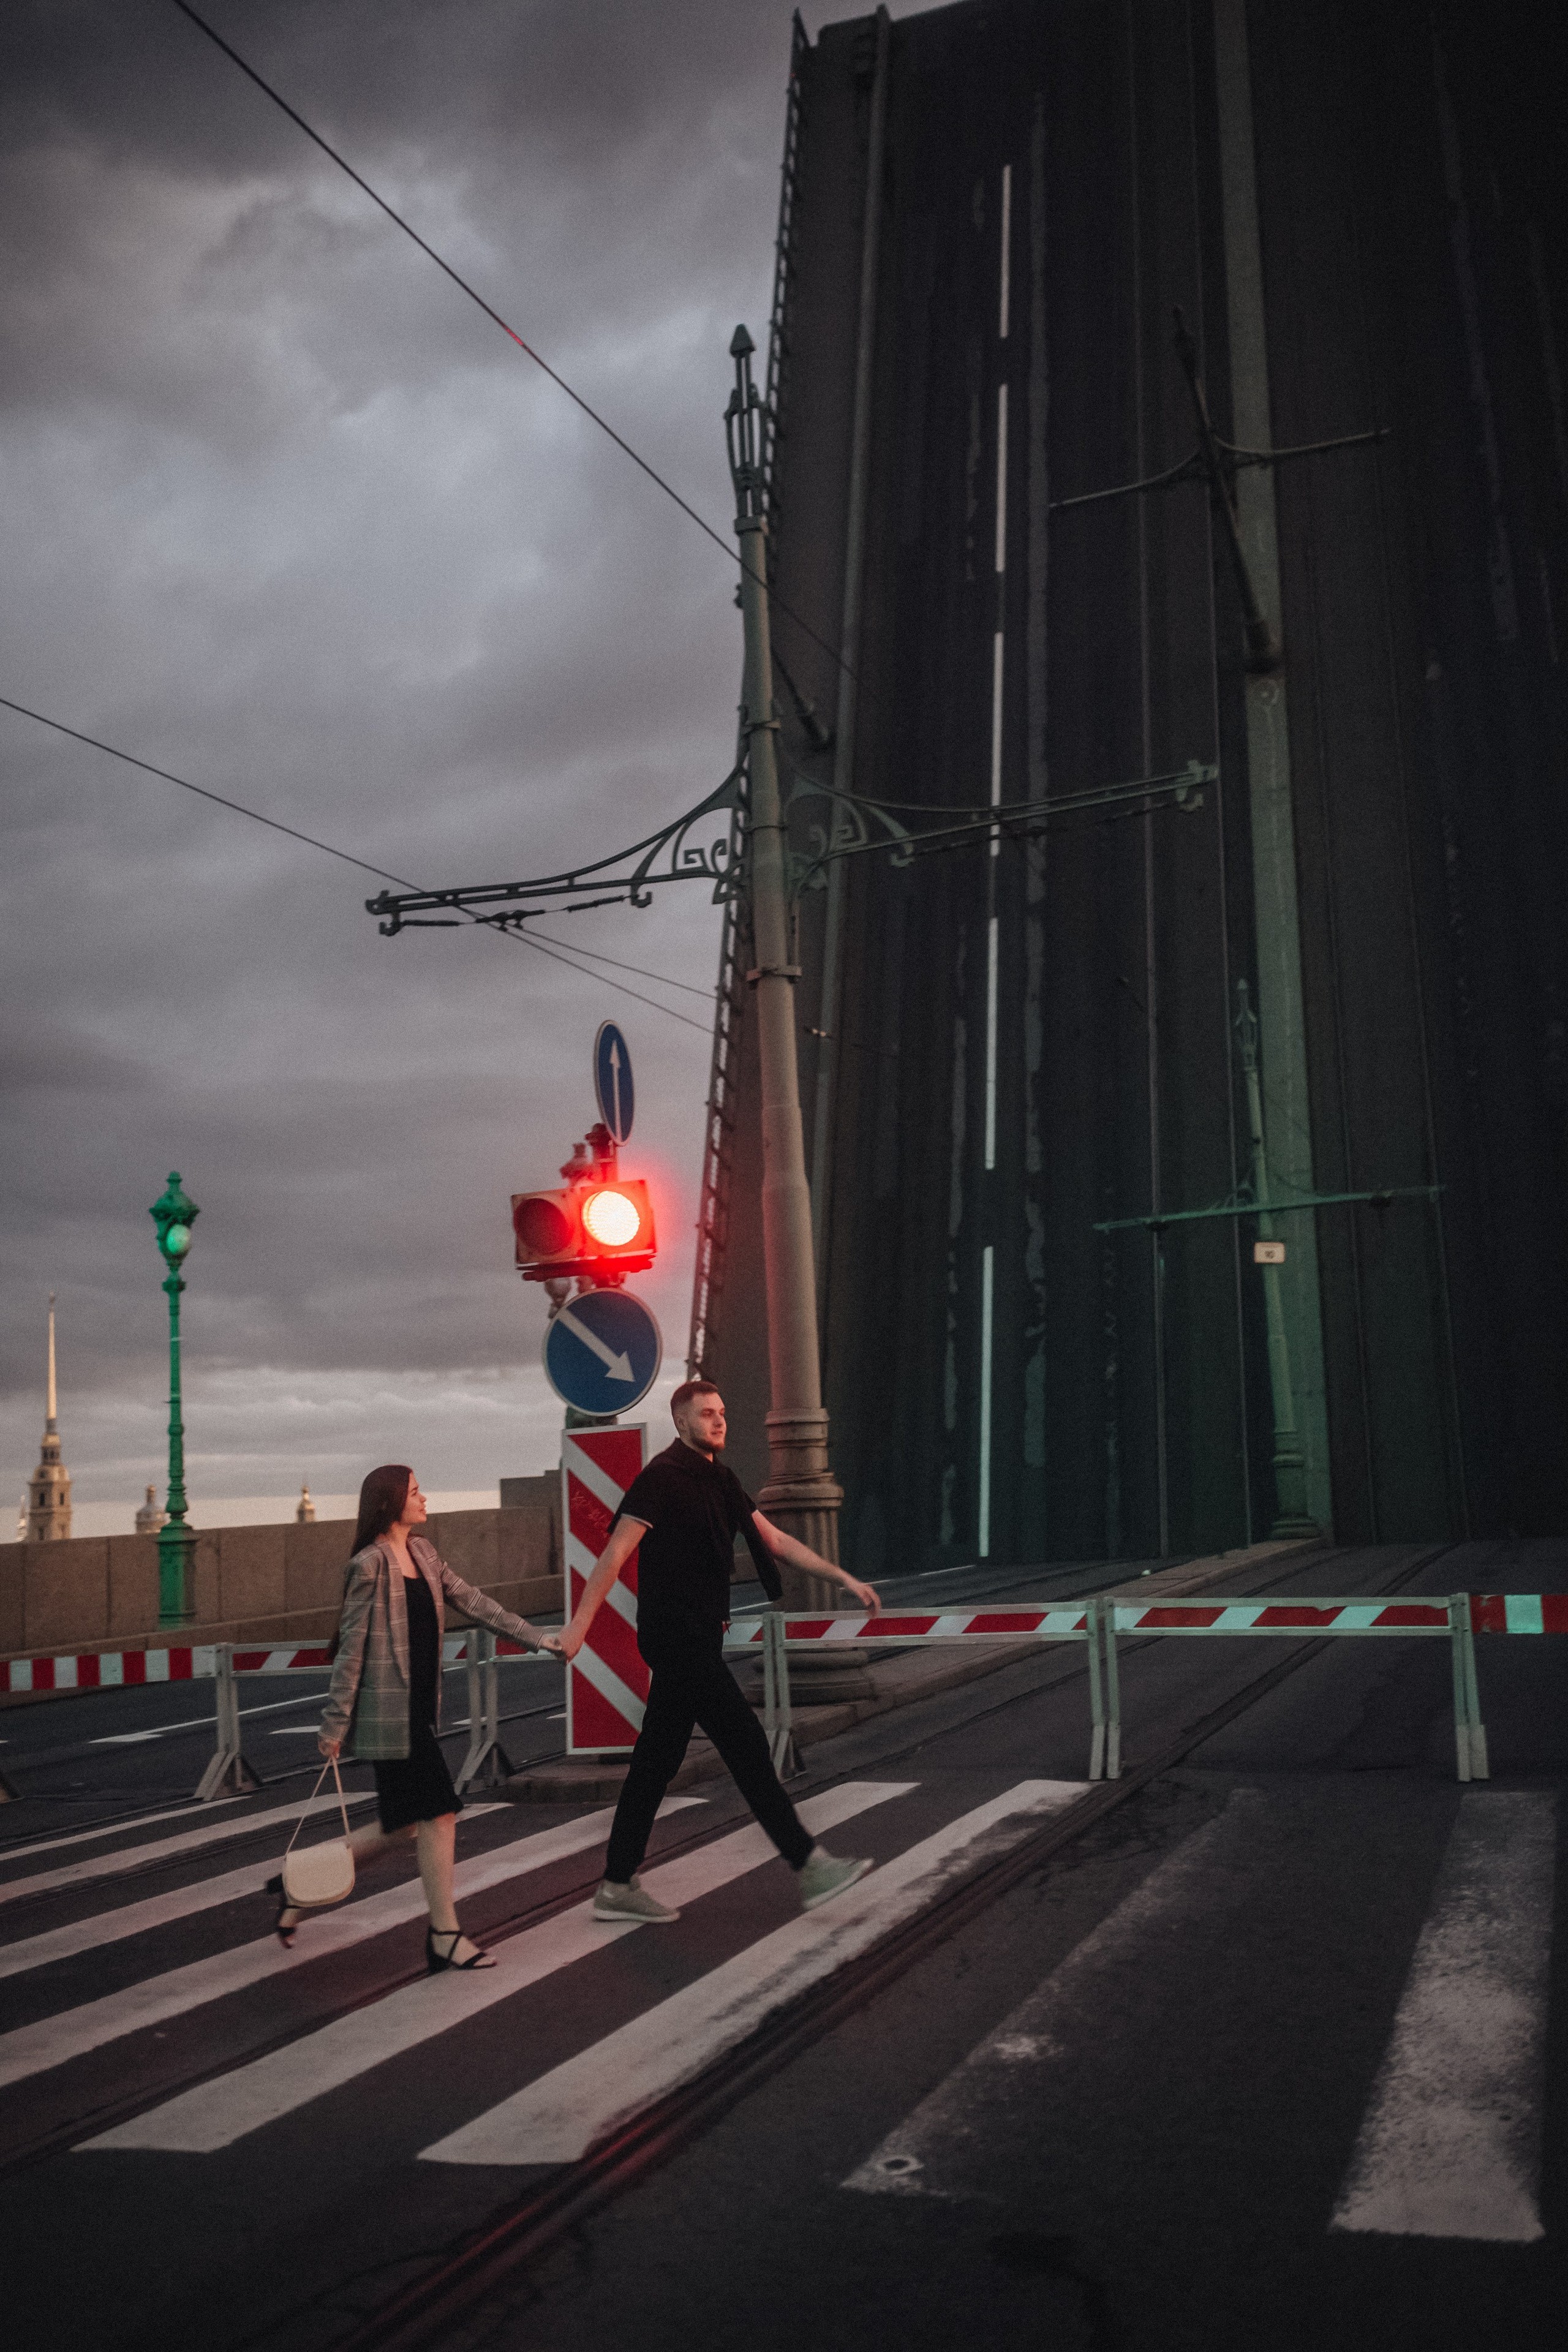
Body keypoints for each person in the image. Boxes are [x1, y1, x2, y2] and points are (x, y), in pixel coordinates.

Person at [549, 1379, 883, 1924]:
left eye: (722, 1412)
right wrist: (578, 1628)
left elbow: (775, 1540)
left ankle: (616, 1883)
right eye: (707, 1414)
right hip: (674, 1637)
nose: (719, 1421)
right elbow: (613, 1555)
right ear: (682, 1422)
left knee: (656, 1764)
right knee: (747, 1747)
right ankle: (810, 1865)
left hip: (699, 1636)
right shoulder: (660, 1479)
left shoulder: (720, 1479)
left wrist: (841, 1576)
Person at [267, 1463, 547, 1970]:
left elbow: (475, 1602)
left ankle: (295, 1888)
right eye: (416, 1491)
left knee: (404, 1828)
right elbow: (351, 1650)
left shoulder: (423, 1553)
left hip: (420, 1709)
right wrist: (334, 1726)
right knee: (439, 1811)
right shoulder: (370, 1564)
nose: (424, 1499)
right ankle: (444, 1933)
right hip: (386, 1718)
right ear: (390, 1502)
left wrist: (540, 1638)